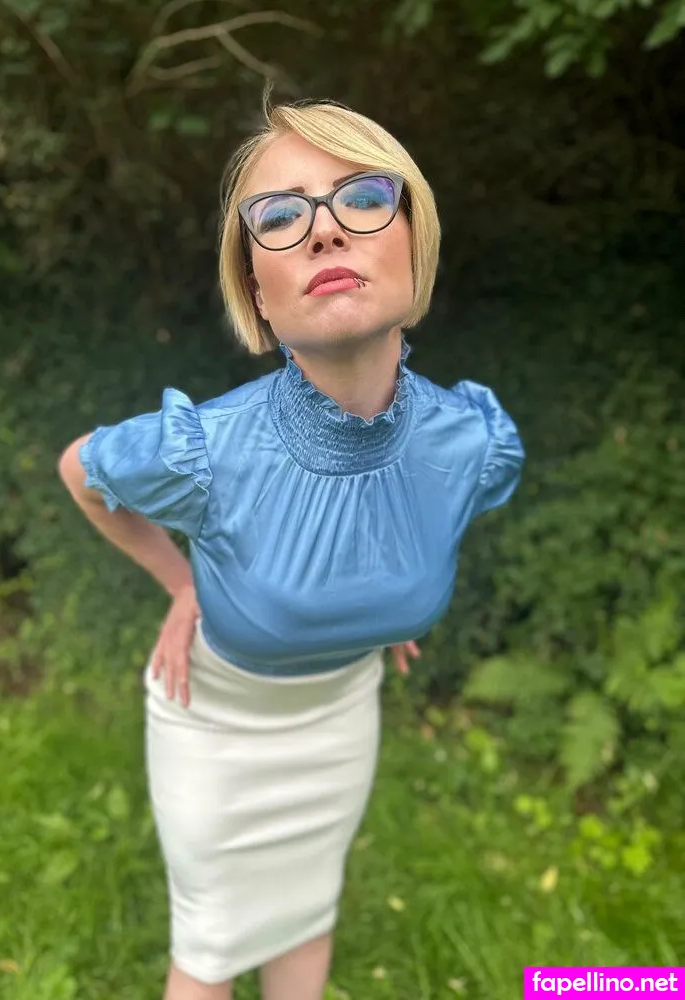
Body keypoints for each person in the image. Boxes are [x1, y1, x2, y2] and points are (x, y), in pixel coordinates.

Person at [58, 95, 525, 1000]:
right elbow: (80, 469)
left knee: (308, 917)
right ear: (257, 292)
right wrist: (181, 583)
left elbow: (432, 514)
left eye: (363, 197)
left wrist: (386, 596)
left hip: (342, 715)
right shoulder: (203, 452)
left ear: (415, 242)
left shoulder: (472, 438)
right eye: (279, 216)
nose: (324, 231)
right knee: (210, 949)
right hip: (217, 727)